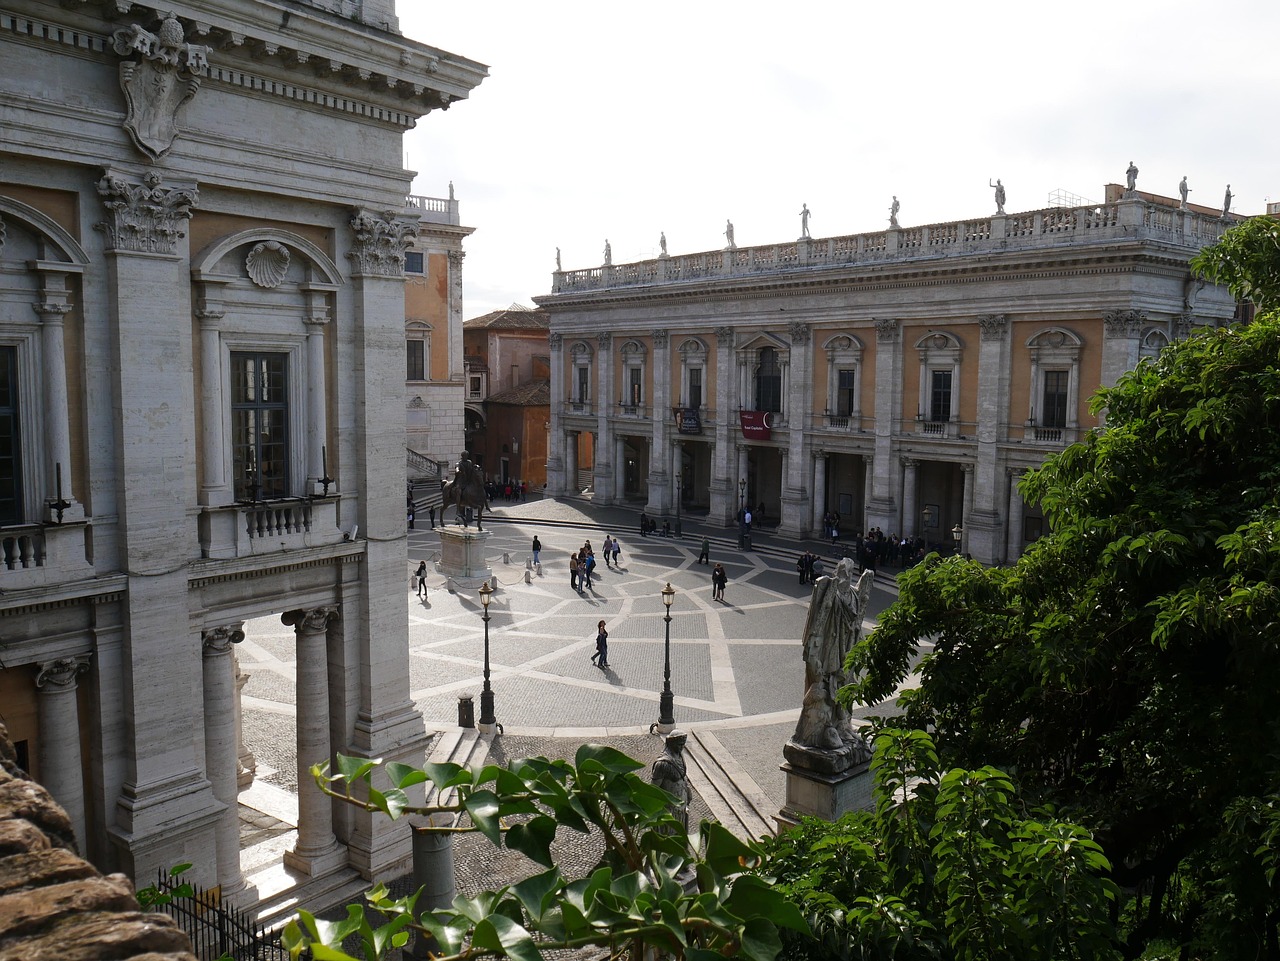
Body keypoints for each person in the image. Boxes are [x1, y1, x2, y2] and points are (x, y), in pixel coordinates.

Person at [793, 558, 875, 756]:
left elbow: (856, 622)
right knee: (830, 684)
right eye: (842, 569)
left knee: (846, 683)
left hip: (846, 646)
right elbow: (819, 619)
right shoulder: (830, 590)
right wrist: (814, 649)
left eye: (849, 570)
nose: (845, 573)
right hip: (831, 646)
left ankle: (843, 724)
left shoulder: (854, 596)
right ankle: (828, 727)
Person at [649, 730, 691, 833]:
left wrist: (688, 792)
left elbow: (683, 778)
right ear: (672, 743)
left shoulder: (680, 757)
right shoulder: (662, 764)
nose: (681, 748)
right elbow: (653, 789)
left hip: (681, 805)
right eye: (679, 745)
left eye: (683, 745)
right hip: (668, 809)